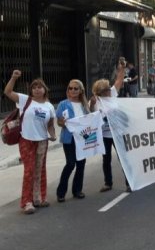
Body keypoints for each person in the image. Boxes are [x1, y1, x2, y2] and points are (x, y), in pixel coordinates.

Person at [4, 71, 57, 214]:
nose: (37, 89)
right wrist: (14, 78)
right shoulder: (24, 100)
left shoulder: (49, 106)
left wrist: (52, 134)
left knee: (41, 169)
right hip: (26, 139)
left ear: (45, 89)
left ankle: (39, 197)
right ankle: (27, 202)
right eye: (34, 87)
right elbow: (8, 91)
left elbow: (51, 124)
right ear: (31, 90)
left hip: (42, 141)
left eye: (40, 87)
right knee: (29, 170)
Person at [89, 57, 131, 192]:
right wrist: (92, 105)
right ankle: (108, 182)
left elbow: (119, 80)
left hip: (117, 132)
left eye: (107, 88)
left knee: (123, 157)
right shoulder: (96, 101)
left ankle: (129, 181)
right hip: (105, 135)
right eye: (104, 90)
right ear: (98, 91)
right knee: (106, 159)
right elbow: (91, 115)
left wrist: (122, 68)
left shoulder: (113, 93)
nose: (107, 91)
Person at [55, 79, 90, 202]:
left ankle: (77, 190)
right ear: (68, 90)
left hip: (82, 138)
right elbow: (59, 122)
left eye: (76, 88)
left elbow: (89, 121)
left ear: (81, 91)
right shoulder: (63, 104)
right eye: (70, 88)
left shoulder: (84, 105)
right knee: (70, 164)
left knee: (81, 164)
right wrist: (63, 123)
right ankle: (61, 192)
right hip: (69, 138)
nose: (73, 90)